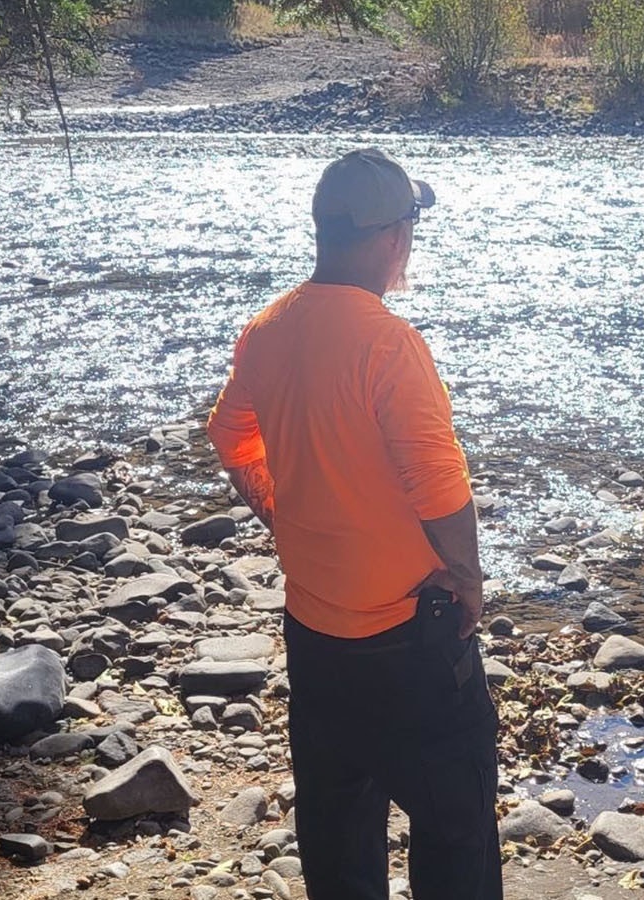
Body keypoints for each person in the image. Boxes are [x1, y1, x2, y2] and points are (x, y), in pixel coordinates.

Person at [206, 147, 501, 900]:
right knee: (458, 834)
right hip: (412, 640)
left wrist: (277, 511)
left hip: (316, 638)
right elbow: (439, 489)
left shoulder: (269, 329)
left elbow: (229, 437)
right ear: (392, 237)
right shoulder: (388, 343)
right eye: (409, 226)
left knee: (338, 854)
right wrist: (467, 584)